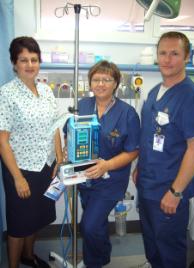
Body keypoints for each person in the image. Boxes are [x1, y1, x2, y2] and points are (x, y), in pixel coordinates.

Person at [133, 31, 194, 268]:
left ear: (187, 57)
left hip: (170, 188)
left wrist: (176, 192)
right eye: (163, 53)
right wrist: (138, 167)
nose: (167, 59)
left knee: (169, 247)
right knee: (152, 242)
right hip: (149, 183)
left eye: (174, 53)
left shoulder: (192, 97)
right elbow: (149, 135)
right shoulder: (154, 92)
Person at [63, 60, 140, 268]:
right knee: (95, 222)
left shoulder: (127, 113)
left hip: (111, 180)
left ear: (116, 83)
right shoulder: (83, 105)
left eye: (107, 79)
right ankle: (103, 255)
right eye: (96, 79)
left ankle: (94, 263)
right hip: (85, 177)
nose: (101, 84)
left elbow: (133, 150)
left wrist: (106, 166)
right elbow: (68, 132)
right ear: (90, 83)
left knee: (88, 225)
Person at [0, 36, 63, 268]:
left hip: (45, 165)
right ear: (14, 63)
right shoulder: (6, 94)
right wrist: (17, 178)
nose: (29, 64)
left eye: (34, 59)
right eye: (23, 60)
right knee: (18, 224)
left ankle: (29, 256)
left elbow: (56, 125)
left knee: (37, 218)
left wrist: (59, 157)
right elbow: (2, 141)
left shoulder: (46, 90)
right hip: (21, 168)